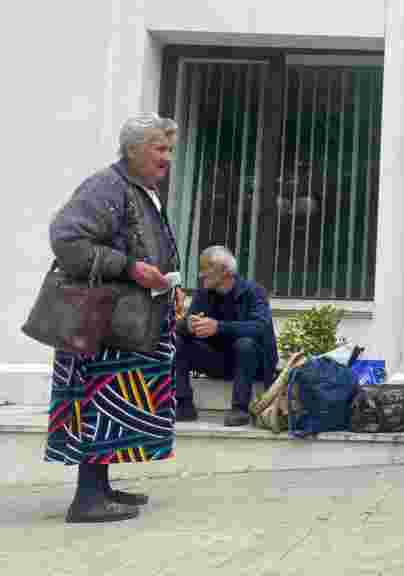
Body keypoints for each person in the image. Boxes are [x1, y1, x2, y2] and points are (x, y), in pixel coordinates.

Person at [46, 113, 181, 523]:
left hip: (123, 320)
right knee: (100, 400)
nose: (167, 159)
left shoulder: (137, 189)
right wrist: (129, 267)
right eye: (159, 148)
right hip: (103, 322)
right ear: (133, 150)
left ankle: (100, 486)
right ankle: (87, 499)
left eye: (170, 150)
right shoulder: (106, 186)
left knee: (117, 400)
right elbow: (66, 238)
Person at [175, 245, 278, 427]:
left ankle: (239, 409)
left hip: (252, 365)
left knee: (245, 343)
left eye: (205, 268)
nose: (200, 274)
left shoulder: (253, 292)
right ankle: (183, 404)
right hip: (219, 362)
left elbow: (260, 327)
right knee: (179, 340)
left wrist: (218, 328)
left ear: (224, 271)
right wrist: (188, 325)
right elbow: (183, 326)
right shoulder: (204, 293)